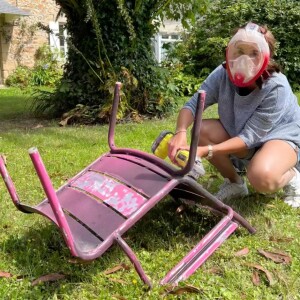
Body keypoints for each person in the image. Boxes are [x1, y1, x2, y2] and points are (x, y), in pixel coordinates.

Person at [168, 22, 300, 208]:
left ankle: (292, 176)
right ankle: (235, 183)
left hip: (278, 137)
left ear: (266, 56)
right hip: (243, 134)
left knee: (262, 177)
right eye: (239, 51)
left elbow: (249, 137)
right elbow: (193, 105)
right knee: (203, 130)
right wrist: (180, 131)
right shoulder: (222, 73)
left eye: (254, 53)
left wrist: (205, 151)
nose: (244, 59)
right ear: (230, 51)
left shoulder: (276, 87)